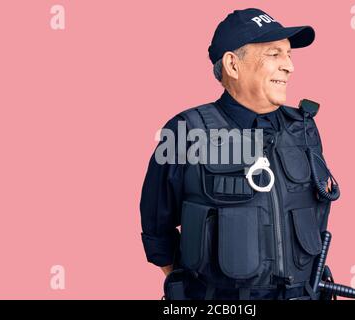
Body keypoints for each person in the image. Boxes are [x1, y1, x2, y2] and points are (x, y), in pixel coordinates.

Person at [140, 7, 335, 300]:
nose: (289, 67)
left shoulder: (304, 128)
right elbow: (157, 230)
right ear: (233, 65)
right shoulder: (186, 131)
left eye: (289, 55)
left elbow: (317, 215)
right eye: (274, 54)